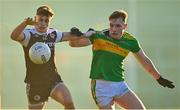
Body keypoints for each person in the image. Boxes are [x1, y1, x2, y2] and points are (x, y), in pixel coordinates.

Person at [69, 10, 175, 109]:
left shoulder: (130, 41)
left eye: (118, 26)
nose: (114, 29)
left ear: (125, 26)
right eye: (111, 25)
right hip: (101, 87)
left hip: (119, 85)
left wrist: (158, 78)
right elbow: (73, 44)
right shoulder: (98, 36)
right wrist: (79, 35)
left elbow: (144, 60)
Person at [10, 5, 84, 110]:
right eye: (40, 20)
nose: (43, 23)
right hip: (35, 83)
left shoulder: (52, 33)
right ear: (35, 19)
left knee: (69, 103)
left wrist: (84, 33)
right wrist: (25, 23)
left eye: (46, 21)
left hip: (53, 79)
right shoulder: (28, 34)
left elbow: (72, 36)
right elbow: (13, 36)